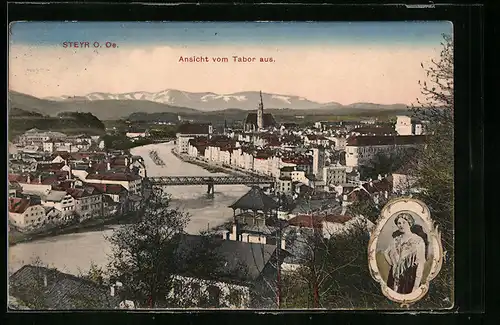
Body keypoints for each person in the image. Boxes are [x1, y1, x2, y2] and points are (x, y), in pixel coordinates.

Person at [383, 213, 428, 294]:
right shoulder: (396, 240)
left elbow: (420, 264)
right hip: (395, 276)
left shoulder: (418, 240)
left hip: (410, 276)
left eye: (404, 222)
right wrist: (393, 264)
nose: (401, 225)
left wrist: (416, 286)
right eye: (399, 223)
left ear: (409, 223)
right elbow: (386, 253)